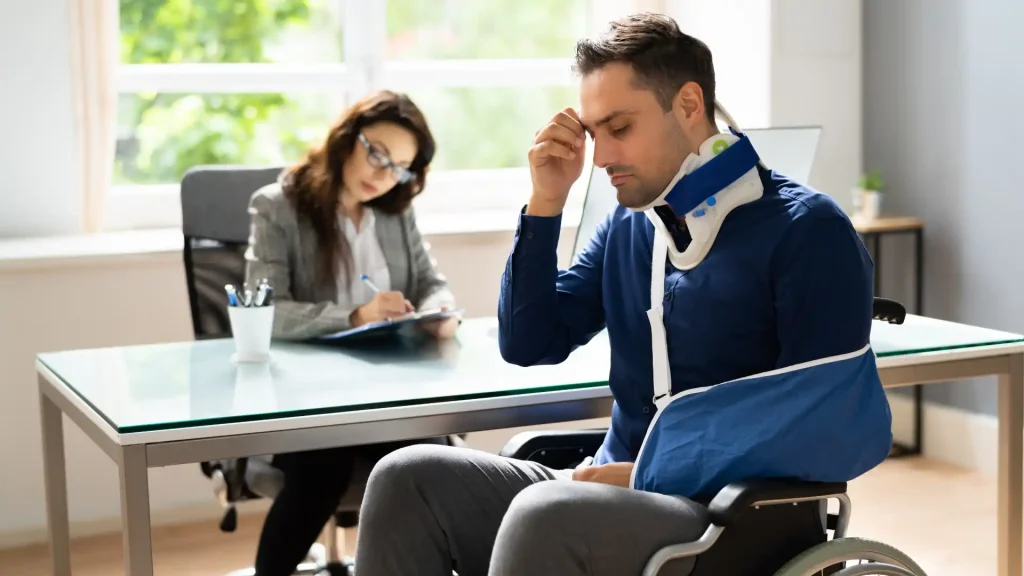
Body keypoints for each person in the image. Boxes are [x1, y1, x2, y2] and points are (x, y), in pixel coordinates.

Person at [352, 13, 893, 576]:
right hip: (599, 492)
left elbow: (822, 427)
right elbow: (531, 341)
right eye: (594, 133)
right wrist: (545, 204)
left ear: (687, 104)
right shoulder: (630, 223)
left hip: (731, 519)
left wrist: (646, 474)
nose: (603, 156)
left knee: (546, 511)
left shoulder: (808, 229)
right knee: (406, 476)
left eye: (620, 127)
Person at [244, 89, 460, 576]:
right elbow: (266, 308)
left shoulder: (395, 210)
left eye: (399, 167)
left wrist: (438, 309)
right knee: (323, 466)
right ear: (347, 138)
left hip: (390, 388)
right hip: (311, 397)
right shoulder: (277, 207)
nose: (384, 176)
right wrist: (356, 316)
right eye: (377, 154)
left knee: (433, 465)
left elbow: (431, 282)